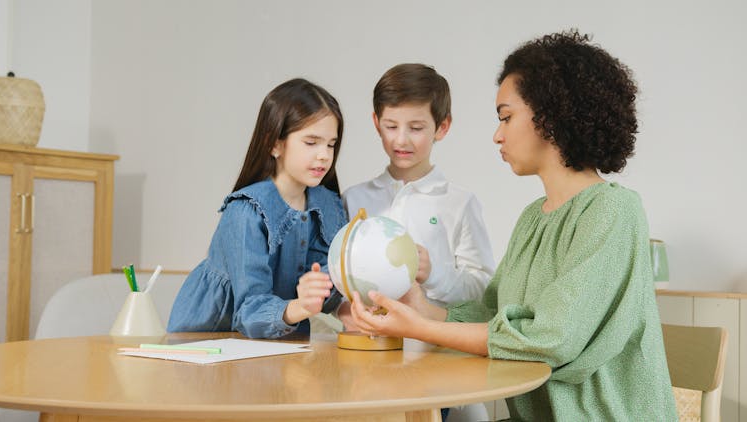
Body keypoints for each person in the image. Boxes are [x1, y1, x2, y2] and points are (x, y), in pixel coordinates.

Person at [349, 30, 678, 421]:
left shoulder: (614, 211)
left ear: (552, 117)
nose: (497, 135)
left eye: (506, 117)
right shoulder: (533, 218)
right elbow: (492, 312)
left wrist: (422, 329)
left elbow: (551, 339)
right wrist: (423, 310)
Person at [340, 63, 496, 422]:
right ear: (376, 122)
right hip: (368, 366)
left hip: (439, 363)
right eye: (391, 126)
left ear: (443, 127)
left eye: (416, 128)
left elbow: (483, 290)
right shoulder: (354, 199)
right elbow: (339, 283)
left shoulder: (460, 203)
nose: (401, 140)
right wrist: (344, 311)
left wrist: (435, 273)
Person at [168, 78, 347, 339]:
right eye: (311, 142)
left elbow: (325, 296)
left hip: (277, 344)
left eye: (331, 144)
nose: (324, 155)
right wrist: (300, 305)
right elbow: (250, 312)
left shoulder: (327, 205)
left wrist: (325, 290)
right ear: (275, 144)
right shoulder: (245, 211)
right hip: (206, 343)